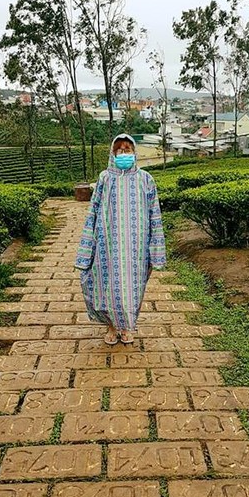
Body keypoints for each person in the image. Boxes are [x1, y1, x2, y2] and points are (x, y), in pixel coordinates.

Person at [75, 133, 166, 345]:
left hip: (136, 247)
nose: (124, 154)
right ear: (113, 153)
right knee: (106, 286)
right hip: (108, 245)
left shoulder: (146, 179)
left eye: (128, 150)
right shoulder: (105, 178)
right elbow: (93, 211)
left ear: (135, 153)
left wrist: (156, 250)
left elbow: (155, 214)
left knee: (132, 287)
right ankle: (111, 326)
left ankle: (126, 327)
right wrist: (88, 246)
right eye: (120, 150)